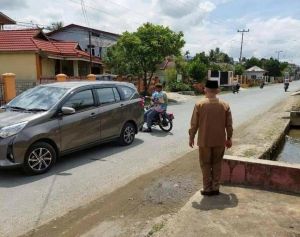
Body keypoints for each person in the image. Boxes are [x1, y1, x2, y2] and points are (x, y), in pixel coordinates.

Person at [189, 80, 233, 196]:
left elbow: (194, 124)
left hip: (204, 141)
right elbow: (229, 125)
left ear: (205, 89)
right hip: (219, 140)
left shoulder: (200, 104)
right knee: (217, 164)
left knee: (205, 164)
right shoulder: (225, 105)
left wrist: (191, 137)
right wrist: (229, 138)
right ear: (217, 91)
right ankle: (215, 187)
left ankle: (207, 188)